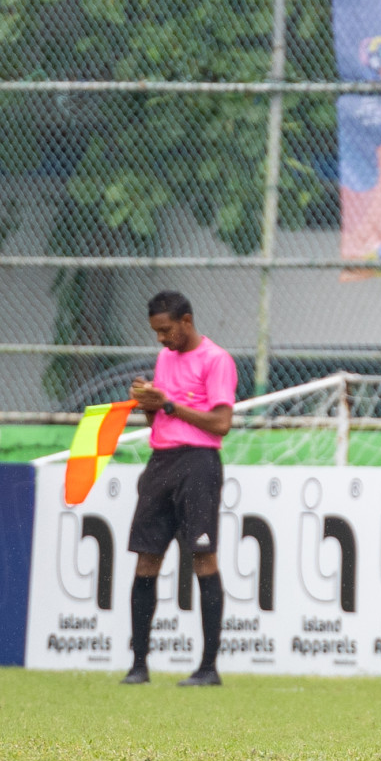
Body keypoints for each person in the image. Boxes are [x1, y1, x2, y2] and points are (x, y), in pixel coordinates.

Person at [122, 290, 236, 686]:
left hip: (199, 465)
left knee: (203, 559)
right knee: (146, 559)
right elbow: (160, 420)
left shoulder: (216, 359)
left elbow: (221, 423)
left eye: (166, 330)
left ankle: (208, 668)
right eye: (156, 332)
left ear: (186, 321)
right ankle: (139, 665)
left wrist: (169, 404)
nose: (161, 339)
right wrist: (150, 404)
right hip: (161, 462)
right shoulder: (165, 358)